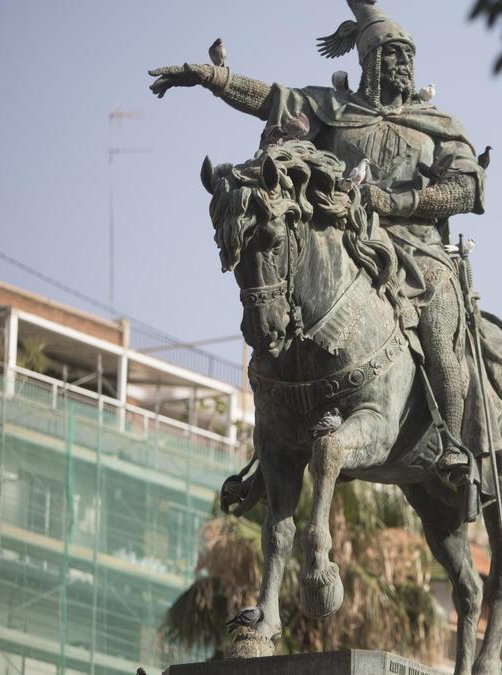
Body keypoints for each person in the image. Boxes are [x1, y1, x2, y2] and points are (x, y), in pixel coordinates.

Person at [148, 0, 484, 487]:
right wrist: (215, 80)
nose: (403, 64)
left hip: (418, 251)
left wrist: (395, 200)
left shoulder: (437, 126)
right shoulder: (334, 109)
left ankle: (451, 446)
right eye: (392, 55)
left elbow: (466, 188)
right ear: (368, 63)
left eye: (407, 55)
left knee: (437, 322)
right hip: (345, 240)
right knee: (283, 306)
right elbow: (270, 98)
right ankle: (272, 451)